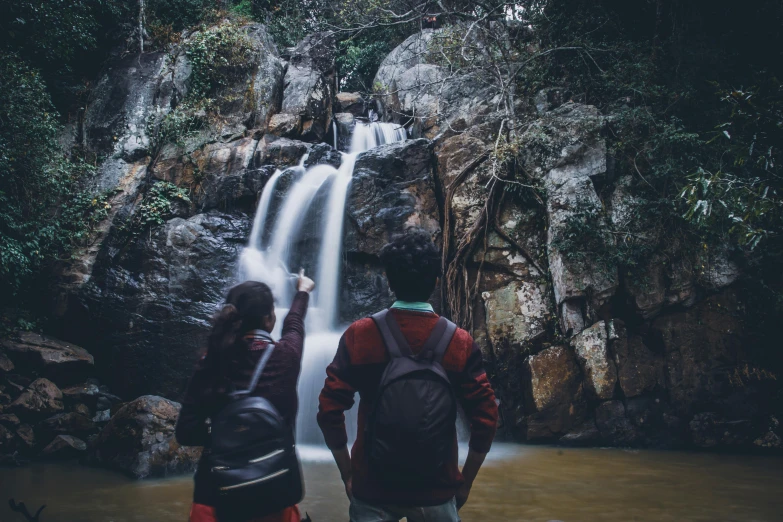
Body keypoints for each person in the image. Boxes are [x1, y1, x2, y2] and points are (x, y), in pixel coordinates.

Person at [317, 229, 498, 522]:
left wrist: (348, 473)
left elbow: (328, 409)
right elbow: (487, 416)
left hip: (372, 489)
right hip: (437, 491)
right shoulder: (459, 342)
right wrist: (466, 480)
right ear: (436, 281)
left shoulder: (360, 335)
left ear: (388, 281)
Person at [176, 272, 315, 522]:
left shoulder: (211, 363)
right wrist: (302, 291)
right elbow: (294, 324)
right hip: (274, 493)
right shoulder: (286, 357)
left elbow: (185, 433)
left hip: (216, 494)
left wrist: (228, 436)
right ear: (269, 319)